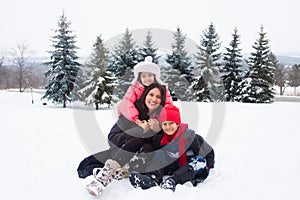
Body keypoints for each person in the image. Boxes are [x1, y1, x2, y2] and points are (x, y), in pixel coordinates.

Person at [80, 83, 168, 196]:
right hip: (122, 152)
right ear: (145, 95)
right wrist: (138, 130)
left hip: (143, 160)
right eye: (151, 94)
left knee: (147, 146)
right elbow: (112, 140)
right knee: (137, 139)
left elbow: (165, 145)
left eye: (158, 97)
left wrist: (158, 130)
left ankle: (122, 172)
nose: (154, 99)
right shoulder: (130, 113)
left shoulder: (163, 119)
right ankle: (104, 177)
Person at [129, 105, 215, 192]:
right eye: (165, 124)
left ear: (177, 123)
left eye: (171, 123)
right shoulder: (161, 139)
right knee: (159, 153)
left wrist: (209, 165)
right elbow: (146, 145)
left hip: (189, 169)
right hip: (172, 167)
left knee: (200, 161)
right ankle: (152, 179)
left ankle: (173, 181)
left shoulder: (191, 138)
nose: (168, 127)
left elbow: (209, 151)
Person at [117, 56, 173, 122]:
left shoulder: (161, 89)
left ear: (154, 76)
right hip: (138, 117)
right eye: (143, 76)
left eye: (150, 75)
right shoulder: (135, 88)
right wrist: (135, 118)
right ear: (139, 77)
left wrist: (162, 119)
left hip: (155, 118)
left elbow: (168, 104)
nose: (147, 79)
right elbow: (127, 102)